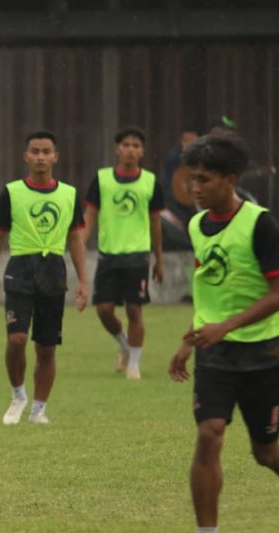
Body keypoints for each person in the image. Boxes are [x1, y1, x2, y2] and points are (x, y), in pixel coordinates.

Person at [168, 132, 279, 533]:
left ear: (229, 180)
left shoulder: (260, 224)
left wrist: (226, 326)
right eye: (192, 179)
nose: (194, 189)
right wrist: (188, 342)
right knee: (209, 436)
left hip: (268, 352)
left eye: (204, 180)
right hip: (217, 354)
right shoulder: (197, 225)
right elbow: (209, 288)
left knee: (265, 450)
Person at [0, 131, 88, 425]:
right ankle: (18, 395)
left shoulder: (69, 194)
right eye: (35, 151)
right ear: (26, 156)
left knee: (46, 346)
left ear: (56, 157)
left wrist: (83, 281)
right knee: (16, 339)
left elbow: (76, 238)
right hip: (20, 268)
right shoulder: (12, 192)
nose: (41, 157)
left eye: (46, 151)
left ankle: (39, 410)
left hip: (53, 270)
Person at [83, 127, 165, 380]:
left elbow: (155, 223)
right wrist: (79, 247)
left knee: (134, 310)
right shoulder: (102, 179)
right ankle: (124, 344)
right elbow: (90, 215)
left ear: (142, 152)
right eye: (126, 145)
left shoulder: (150, 182)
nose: (131, 149)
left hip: (137, 256)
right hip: (108, 255)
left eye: (136, 145)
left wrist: (158, 259)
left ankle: (134, 365)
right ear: (117, 149)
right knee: (104, 310)